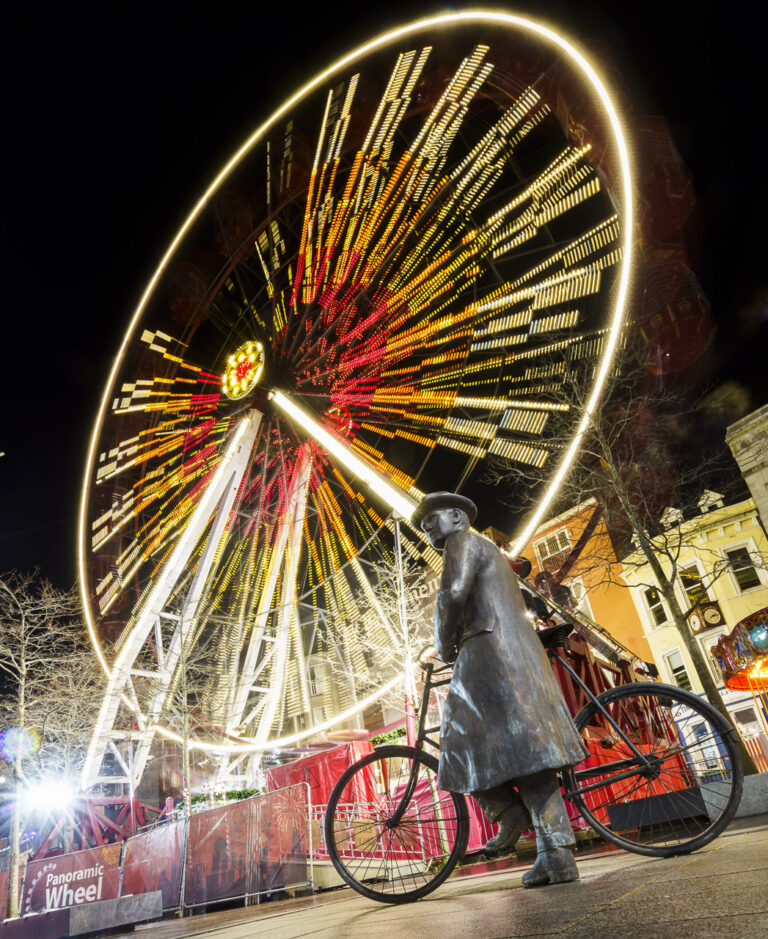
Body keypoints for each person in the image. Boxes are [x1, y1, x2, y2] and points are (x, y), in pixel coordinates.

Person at [414, 491, 586, 887]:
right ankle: (555, 854)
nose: (426, 530)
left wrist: (442, 645)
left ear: (457, 516)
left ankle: (507, 813)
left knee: (454, 743)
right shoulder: (490, 550)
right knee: (530, 755)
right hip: (517, 651)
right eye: (422, 527)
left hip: (489, 652)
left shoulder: (463, 541)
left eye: (431, 520)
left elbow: (452, 594)